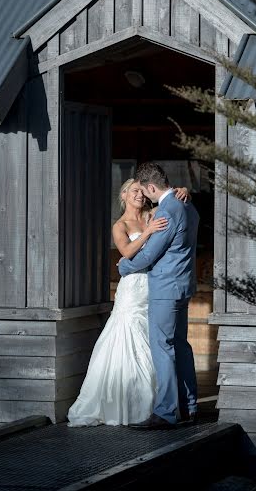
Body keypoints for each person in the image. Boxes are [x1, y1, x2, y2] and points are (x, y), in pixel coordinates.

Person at [67, 178, 189, 427]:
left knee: (156, 340)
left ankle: (163, 403)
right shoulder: (120, 225)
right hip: (133, 287)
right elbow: (126, 253)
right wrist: (148, 232)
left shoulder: (154, 213)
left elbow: (172, 202)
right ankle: (131, 403)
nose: (140, 196)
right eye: (135, 191)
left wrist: (185, 190)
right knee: (128, 334)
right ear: (123, 195)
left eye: (142, 192)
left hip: (155, 283)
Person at [118, 162, 200, 430]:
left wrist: (124, 266)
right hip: (183, 285)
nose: (144, 196)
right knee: (180, 346)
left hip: (165, 288)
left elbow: (150, 254)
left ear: (151, 187)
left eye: (145, 191)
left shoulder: (168, 209)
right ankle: (189, 407)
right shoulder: (186, 203)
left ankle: (166, 413)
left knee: (162, 348)